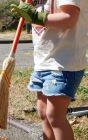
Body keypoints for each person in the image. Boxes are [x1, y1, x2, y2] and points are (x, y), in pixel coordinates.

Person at [11, 0, 88, 140]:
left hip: (63, 62)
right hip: (43, 61)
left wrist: (35, 16)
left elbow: (69, 18)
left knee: (55, 116)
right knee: (44, 114)